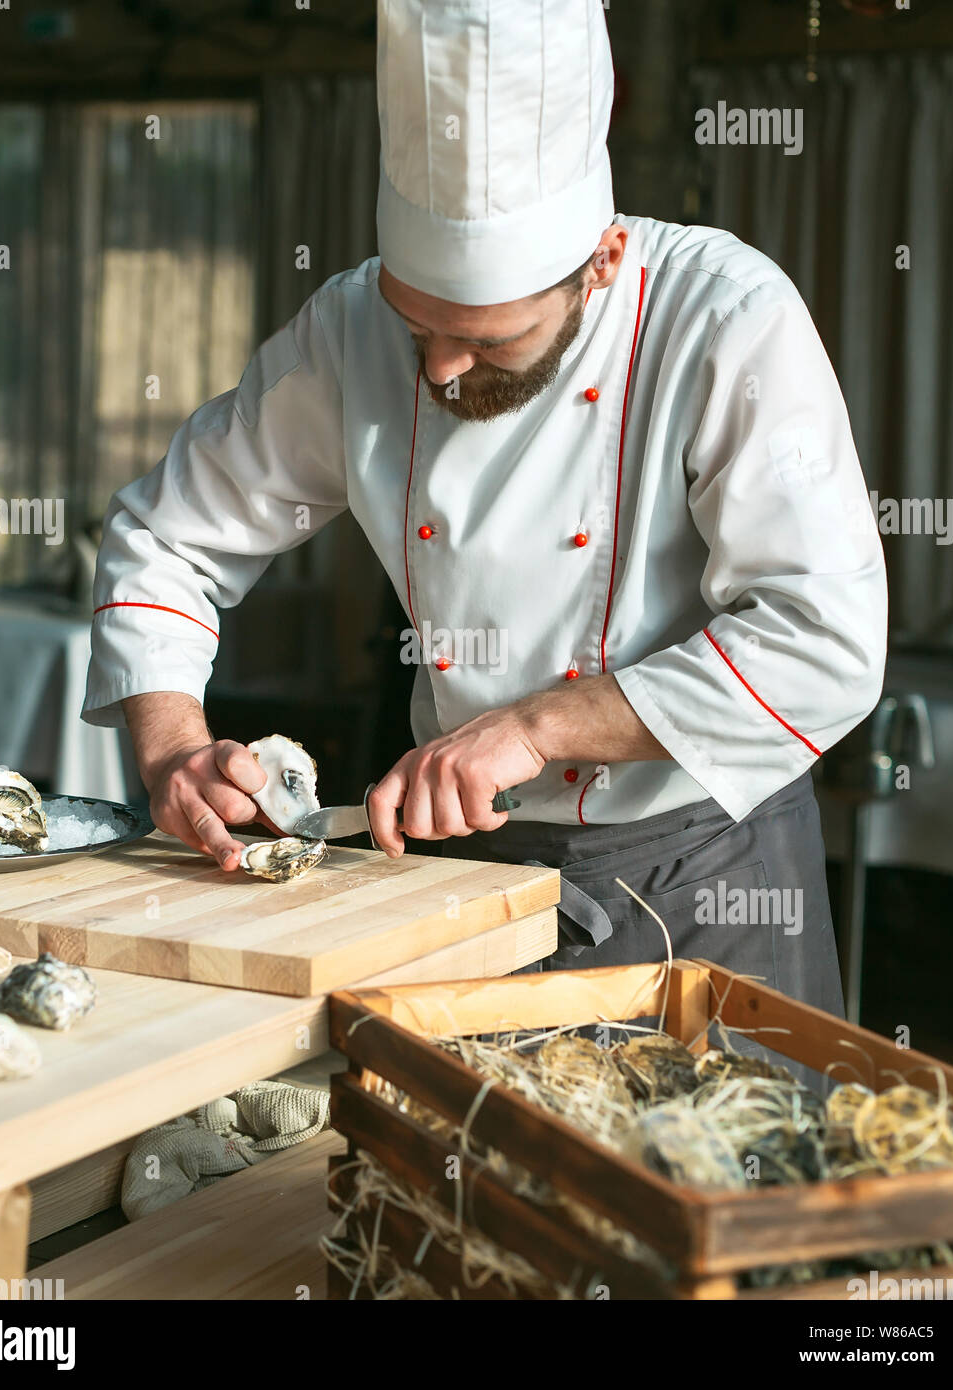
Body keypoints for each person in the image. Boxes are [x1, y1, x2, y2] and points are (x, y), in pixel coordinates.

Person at [83, 0, 886, 1035]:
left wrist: (534, 727)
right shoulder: (347, 328)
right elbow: (166, 536)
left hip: (709, 874)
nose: (439, 371)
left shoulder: (727, 319)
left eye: (490, 342)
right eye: (418, 326)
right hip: (470, 879)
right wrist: (172, 752)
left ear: (599, 262)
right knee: (483, 1186)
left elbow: (822, 642)